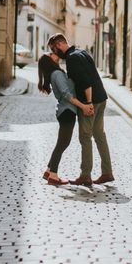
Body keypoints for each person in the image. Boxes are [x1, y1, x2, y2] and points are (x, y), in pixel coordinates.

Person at [47, 33, 114, 187]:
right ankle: (107, 172)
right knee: (99, 135)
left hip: (90, 101)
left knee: (85, 137)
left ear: (59, 44)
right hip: (101, 98)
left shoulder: (71, 58)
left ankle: (85, 175)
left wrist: (88, 103)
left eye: (54, 49)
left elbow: (85, 81)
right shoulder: (82, 52)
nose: (55, 53)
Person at [38, 52, 94, 186]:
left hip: (66, 111)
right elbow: (66, 94)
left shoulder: (56, 72)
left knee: (62, 142)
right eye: (51, 54)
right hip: (67, 111)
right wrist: (83, 106)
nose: (54, 54)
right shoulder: (57, 74)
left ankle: (49, 171)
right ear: (49, 61)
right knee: (63, 143)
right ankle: (53, 176)